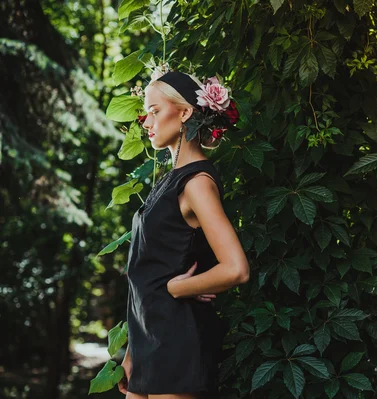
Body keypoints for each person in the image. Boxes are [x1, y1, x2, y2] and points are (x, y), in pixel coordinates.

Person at [118, 71, 250, 399]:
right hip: (149, 341)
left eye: (154, 111)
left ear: (185, 112)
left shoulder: (196, 183)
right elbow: (145, 271)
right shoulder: (170, 180)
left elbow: (236, 268)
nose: (146, 123)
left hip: (177, 342)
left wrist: (180, 287)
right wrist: (131, 354)